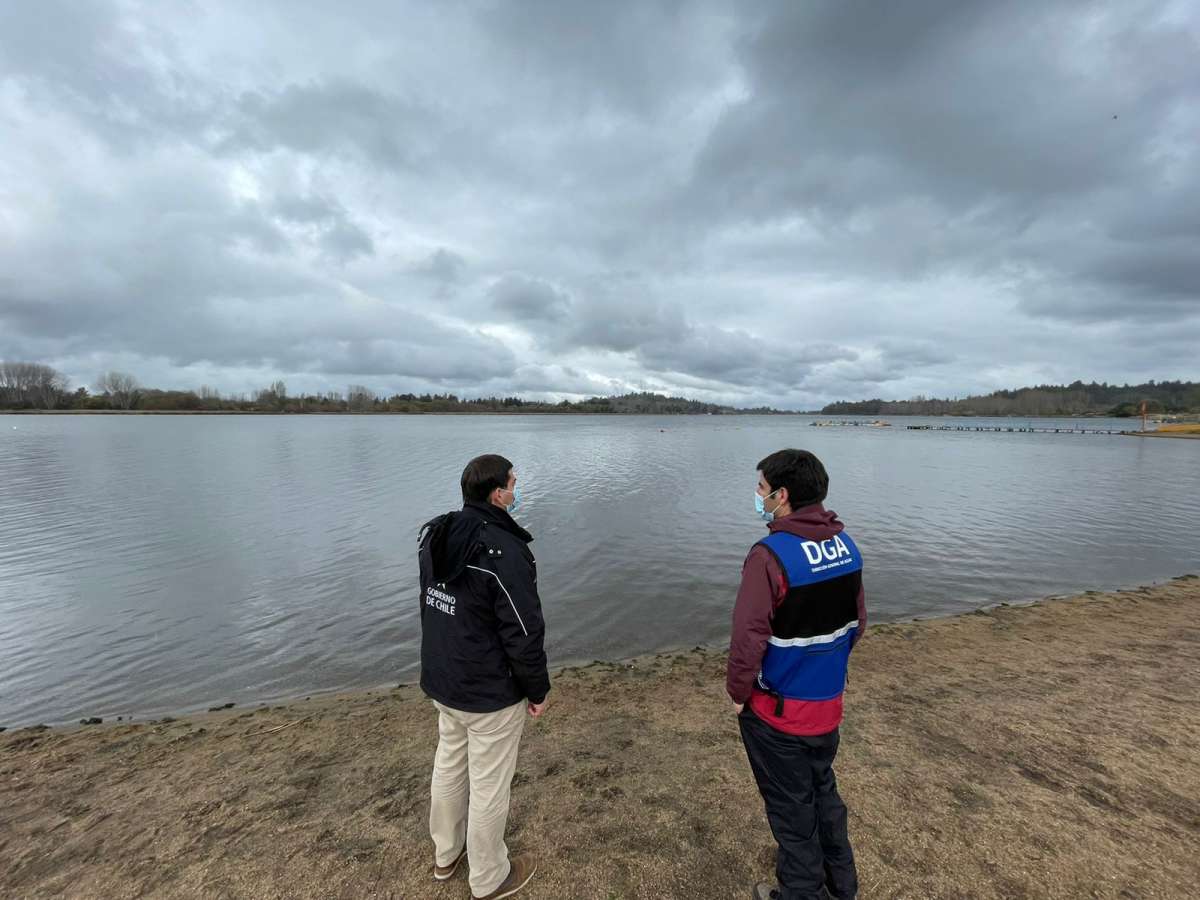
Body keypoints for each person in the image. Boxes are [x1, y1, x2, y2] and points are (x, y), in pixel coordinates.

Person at [727, 449, 867, 900]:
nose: (757, 496)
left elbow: (749, 635)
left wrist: (738, 690)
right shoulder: (846, 545)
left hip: (778, 714)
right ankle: (841, 883)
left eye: (762, 489)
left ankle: (801, 891)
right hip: (827, 706)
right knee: (823, 791)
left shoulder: (770, 555)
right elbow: (857, 623)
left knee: (792, 811)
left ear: (782, 495)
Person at [418, 454, 550, 900]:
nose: (516, 490)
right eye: (513, 483)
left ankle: (445, 855)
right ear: (498, 494)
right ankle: (490, 876)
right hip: (487, 692)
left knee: (450, 764)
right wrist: (537, 689)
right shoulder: (504, 551)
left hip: (444, 678)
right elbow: (524, 631)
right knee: (488, 784)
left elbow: (435, 607)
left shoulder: (436, 535)